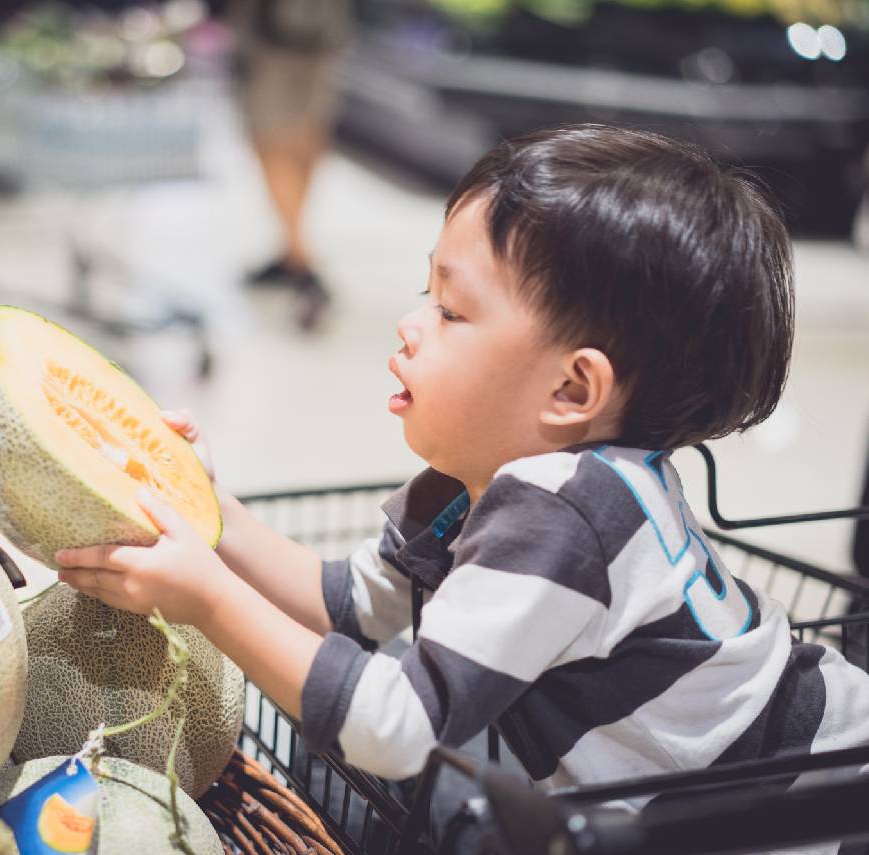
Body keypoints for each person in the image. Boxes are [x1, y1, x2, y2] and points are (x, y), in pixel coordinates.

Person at [55, 125, 869, 848]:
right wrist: (210, 510)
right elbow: (356, 607)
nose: (412, 325)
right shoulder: (476, 485)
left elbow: (397, 726)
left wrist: (211, 602)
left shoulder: (570, 509)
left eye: (451, 310)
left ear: (573, 391)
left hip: (810, 796)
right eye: (426, 295)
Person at [229, 0, 354, 331]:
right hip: (324, 24)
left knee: (270, 137)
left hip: (272, 33)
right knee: (305, 131)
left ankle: (301, 261)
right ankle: (291, 252)